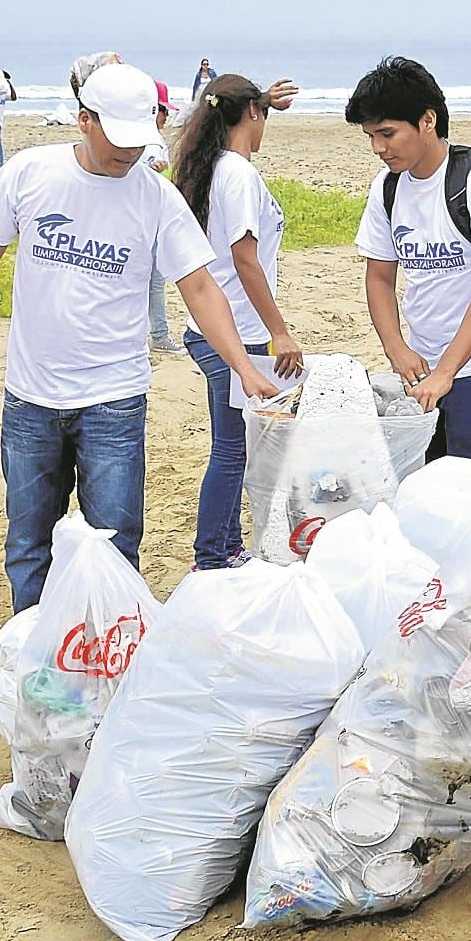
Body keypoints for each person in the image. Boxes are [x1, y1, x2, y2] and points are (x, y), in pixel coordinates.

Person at [0, 59, 279, 614]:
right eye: (117, 141)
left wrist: (244, 367)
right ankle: (36, 649)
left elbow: (201, 288)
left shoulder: (155, 197)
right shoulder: (30, 172)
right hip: (31, 398)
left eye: (139, 143)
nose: (128, 155)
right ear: (84, 120)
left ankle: (106, 654)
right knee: (28, 544)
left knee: (115, 542)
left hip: (114, 401)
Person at [348, 56, 471, 470]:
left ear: (427, 120)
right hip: (420, 368)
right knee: (428, 496)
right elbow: (378, 277)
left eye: (388, 133)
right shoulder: (388, 187)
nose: (379, 148)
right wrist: (397, 349)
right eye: (371, 136)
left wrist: (447, 371)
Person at [171, 72, 304, 569]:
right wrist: (279, 331)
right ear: (250, 115)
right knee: (232, 451)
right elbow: (245, 259)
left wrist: (262, 99)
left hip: (211, 327)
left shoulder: (211, 167)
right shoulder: (239, 174)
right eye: (261, 114)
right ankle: (212, 555)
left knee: (233, 446)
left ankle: (227, 547)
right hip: (237, 333)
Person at [144, 80, 184, 354]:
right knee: (153, 282)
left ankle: (157, 334)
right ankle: (158, 335)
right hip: (146, 221)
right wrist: (151, 169)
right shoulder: (149, 139)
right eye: (163, 110)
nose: (166, 117)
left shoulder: (148, 138)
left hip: (150, 219)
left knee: (150, 281)